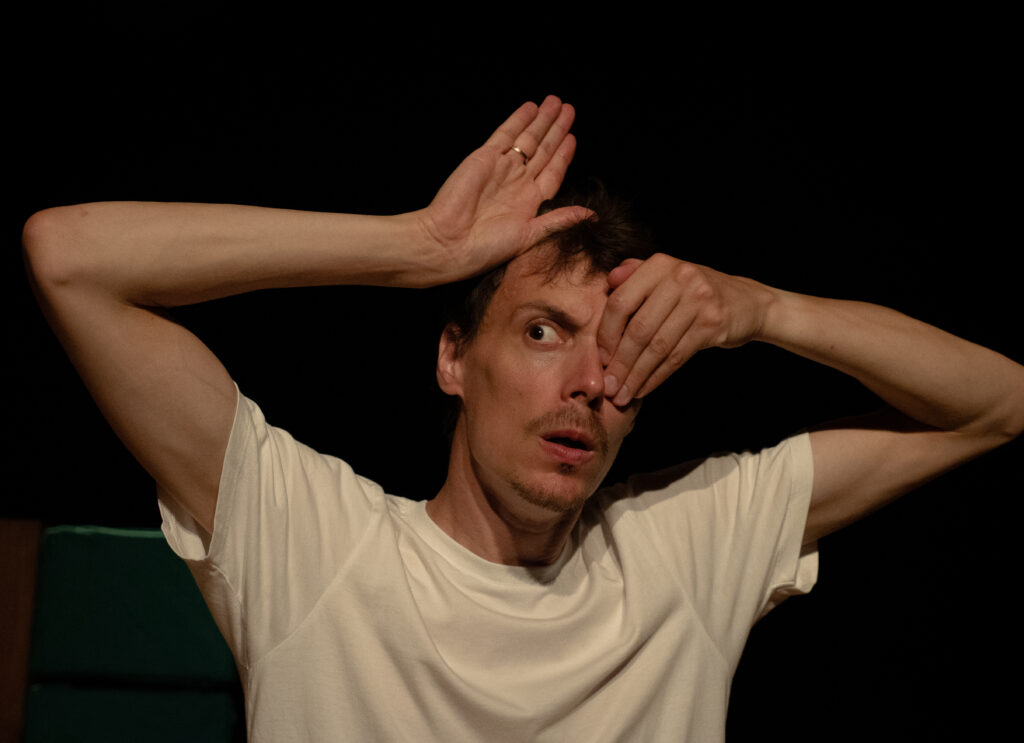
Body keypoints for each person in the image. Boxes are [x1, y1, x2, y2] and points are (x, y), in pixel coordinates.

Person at [23, 96, 1024, 741]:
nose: (589, 380)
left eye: (620, 345)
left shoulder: (684, 546)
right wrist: (413, 248)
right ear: (454, 358)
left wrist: (765, 309)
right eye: (544, 332)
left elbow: (997, 400)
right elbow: (70, 258)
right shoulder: (316, 542)